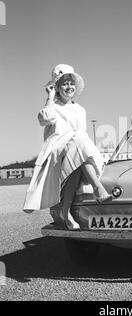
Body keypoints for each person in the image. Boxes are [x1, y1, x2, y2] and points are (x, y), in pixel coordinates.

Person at [23, 64, 112, 230]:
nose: (69, 86)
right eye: (64, 83)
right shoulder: (52, 107)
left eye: (71, 83)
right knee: (77, 142)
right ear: (56, 87)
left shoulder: (80, 109)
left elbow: (83, 134)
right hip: (57, 149)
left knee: (77, 153)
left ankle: (66, 212)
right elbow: (45, 119)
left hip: (77, 150)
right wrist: (50, 97)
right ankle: (97, 188)